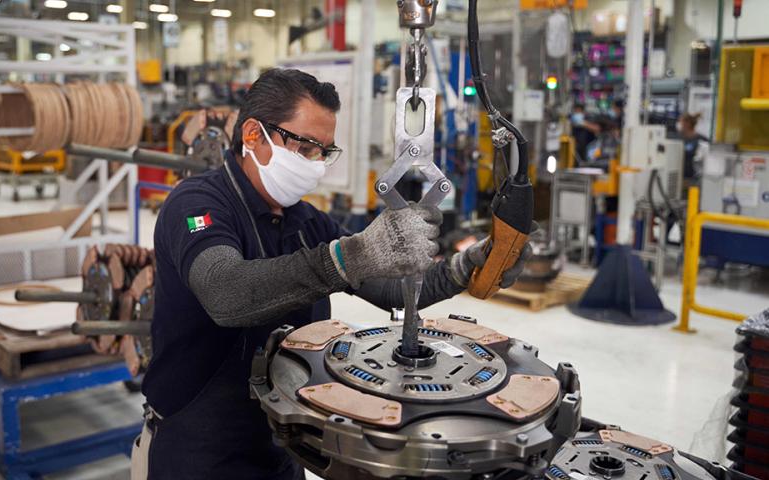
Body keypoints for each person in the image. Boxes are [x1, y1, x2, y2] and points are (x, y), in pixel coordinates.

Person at [130, 68, 531, 480]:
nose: (315, 163)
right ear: (253, 135)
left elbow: (391, 289)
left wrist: (466, 267)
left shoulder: (306, 221)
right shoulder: (197, 204)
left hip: (282, 438)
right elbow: (226, 293)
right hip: (197, 449)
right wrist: (349, 256)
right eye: (305, 147)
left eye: (325, 151)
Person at [677, 112, 709, 189]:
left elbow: (706, 160)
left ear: (687, 124)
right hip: (679, 177)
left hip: (694, 179)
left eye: (681, 122)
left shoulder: (701, 140)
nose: (679, 124)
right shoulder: (677, 138)